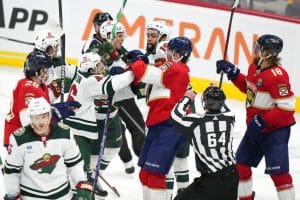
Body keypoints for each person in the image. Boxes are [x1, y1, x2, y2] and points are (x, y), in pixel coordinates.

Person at [216, 34, 296, 200]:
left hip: (275, 132)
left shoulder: (277, 76)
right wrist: (234, 73)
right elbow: (251, 90)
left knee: (278, 173)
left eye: (258, 48)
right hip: (256, 128)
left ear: (267, 52)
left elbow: (287, 107)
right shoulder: (255, 68)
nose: (255, 50)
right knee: (241, 167)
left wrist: (262, 121)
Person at [127, 36, 193, 200]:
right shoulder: (168, 66)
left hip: (170, 127)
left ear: (178, 54)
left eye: (170, 50)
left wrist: (137, 61)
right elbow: (146, 73)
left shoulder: (178, 70)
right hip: (157, 125)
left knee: (156, 175)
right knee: (145, 174)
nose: (166, 52)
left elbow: (144, 72)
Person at [64, 52, 135, 198]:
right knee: (80, 174)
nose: (103, 67)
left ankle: (87, 185)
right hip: (79, 132)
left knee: (82, 170)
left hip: (75, 128)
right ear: (91, 69)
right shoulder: (91, 81)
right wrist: (135, 70)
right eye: (99, 65)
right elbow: (116, 83)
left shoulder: (81, 74)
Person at [3, 97, 92, 200]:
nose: (40, 122)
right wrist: (12, 195)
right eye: (36, 118)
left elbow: (74, 163)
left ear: (49, 116)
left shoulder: (65, 133)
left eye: (43, 116)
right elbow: (12, 171)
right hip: (31, 196)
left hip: (63, 195)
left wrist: (81, 183)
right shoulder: (18, 138)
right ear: (30, 118)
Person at [145, 20, 190, 196]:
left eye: (153, 35)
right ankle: (183, 193)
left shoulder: (163, 51)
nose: (149, 38)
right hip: (178, 106)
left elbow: (153, 75)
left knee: (170, 158)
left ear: (163, 37)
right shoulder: (162, 52)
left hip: (172, 110)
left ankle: (174, 194)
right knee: (179, 157)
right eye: (148, 34)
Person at [170, 86, 238, 200]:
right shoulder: (230, 118)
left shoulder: (196, 122)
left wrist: (187, 97)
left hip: (211, 181)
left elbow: (175, 115)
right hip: (233, 176)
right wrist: (217, 93)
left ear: (205, 103)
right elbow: (224, 108)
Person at [3, 50, 80, 148]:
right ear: (39, 71)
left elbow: (43, 103)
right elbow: (27, 121)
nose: (49, 72)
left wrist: (57, 93)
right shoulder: (27, 87)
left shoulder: (40, 86)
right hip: (19, 139)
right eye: (46, 69)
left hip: (28, 138)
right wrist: (56, 112)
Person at [33, 29, 77, 100]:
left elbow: (74, 73)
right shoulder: (33, 65)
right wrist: (55, 89)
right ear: (46, 48)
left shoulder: (57, 61)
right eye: (55, 47)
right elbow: (33, 95)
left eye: (57, 46)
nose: (57, 50)